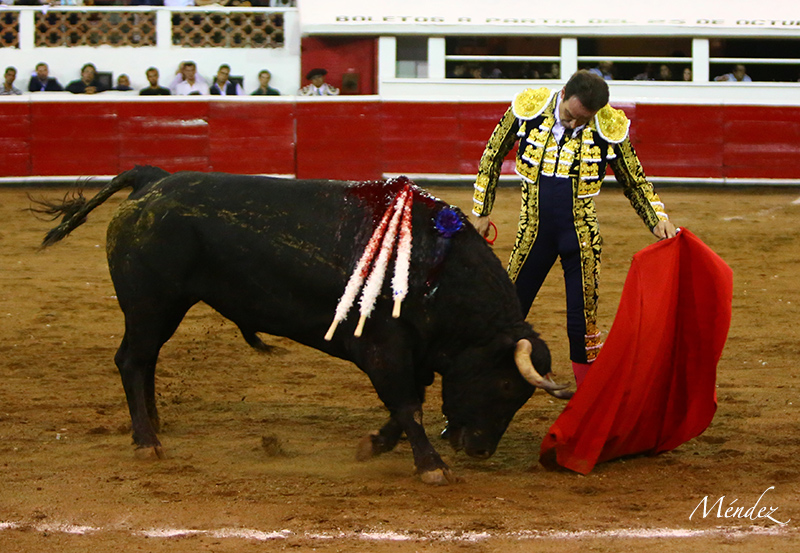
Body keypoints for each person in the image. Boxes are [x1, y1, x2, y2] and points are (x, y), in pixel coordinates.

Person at [470, 70, 677, 388]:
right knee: (508, 309)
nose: (573, 124)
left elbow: (634, 180)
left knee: (583, 320)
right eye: (570, 115)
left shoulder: (607, 125)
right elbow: (492, 155)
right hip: (532, 232)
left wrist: (657, 218)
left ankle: (587, 401)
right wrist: (481, 210)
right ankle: (481, 390)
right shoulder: (530, 108)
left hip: (581, 236)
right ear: (564, 93)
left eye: (584, 120)